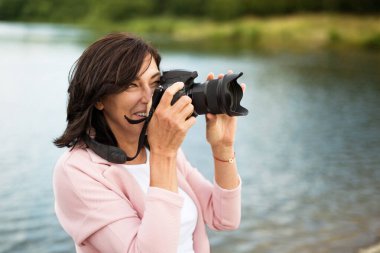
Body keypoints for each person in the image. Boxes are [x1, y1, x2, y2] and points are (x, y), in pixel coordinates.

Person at [53, 32, 242, 253]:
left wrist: (223, 147)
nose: (147, 98)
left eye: (154, 83)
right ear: (99, 99)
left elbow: (224, 218)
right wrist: (163, 154)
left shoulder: (158, 148)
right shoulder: (77, 171)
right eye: (131, 85)